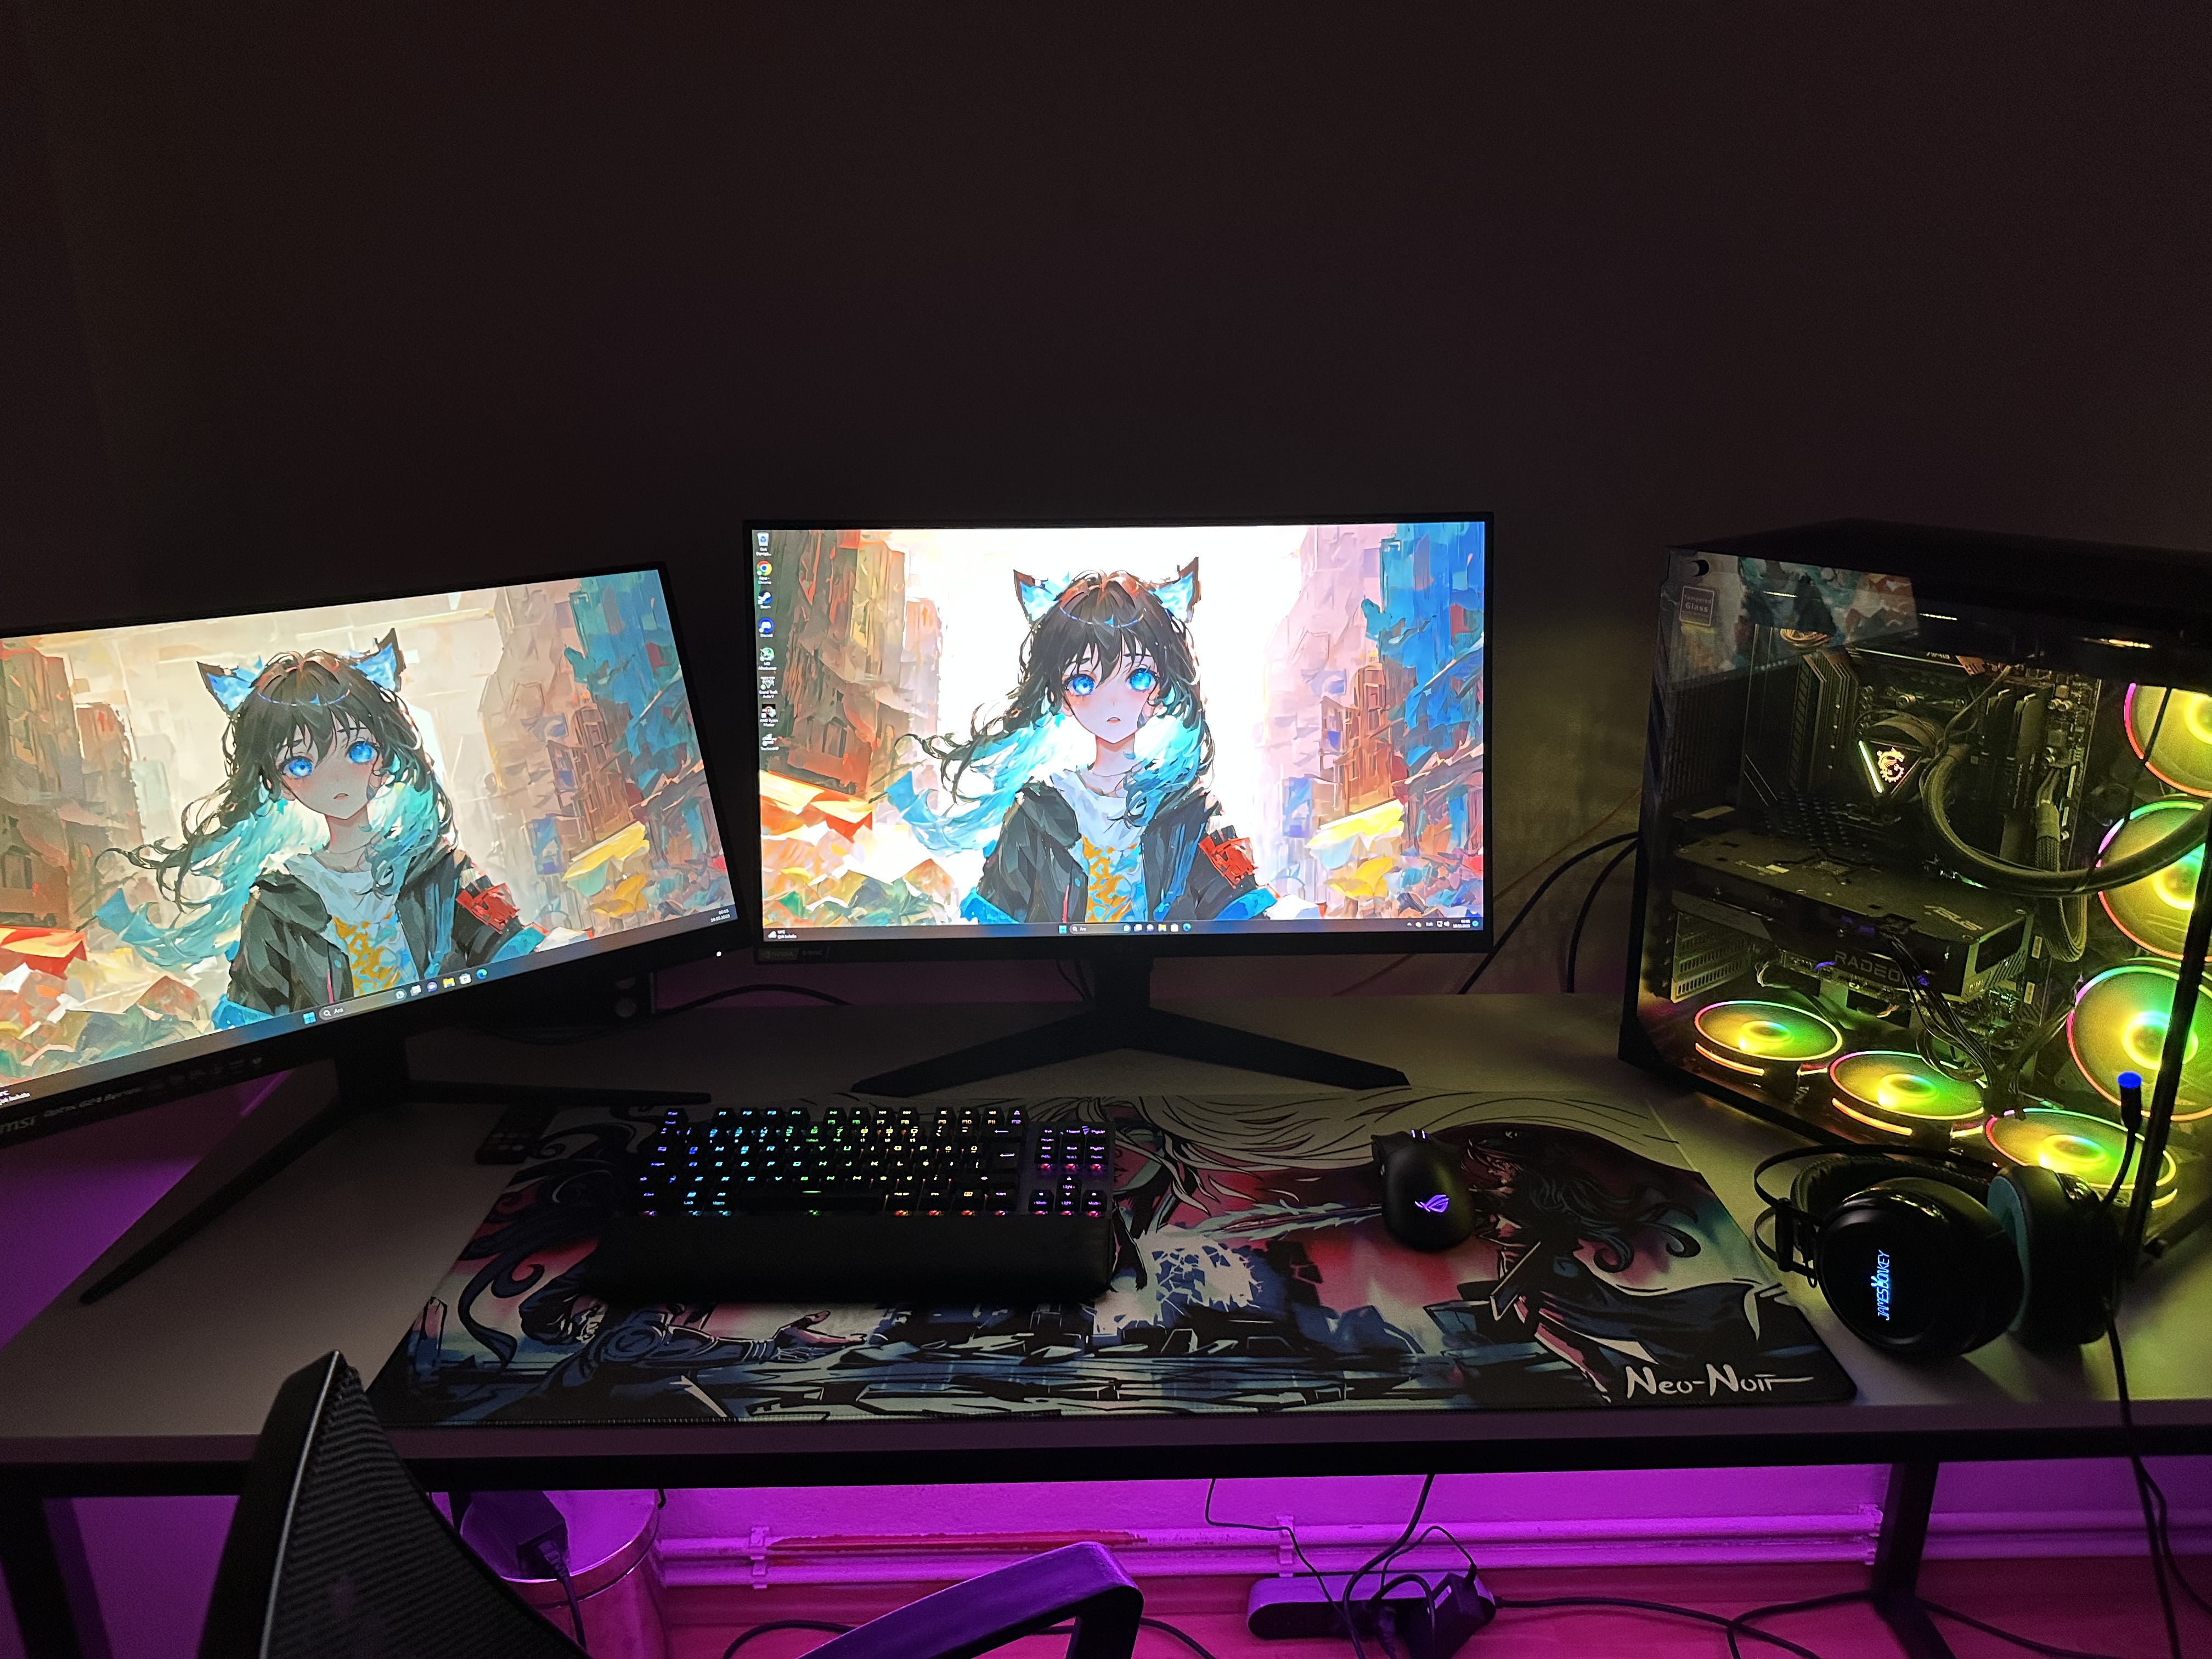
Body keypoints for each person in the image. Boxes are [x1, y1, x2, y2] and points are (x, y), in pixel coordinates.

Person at [118, 633, 538, 1022]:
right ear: (278, 783)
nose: (336, 777)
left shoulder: (440, 869)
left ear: (386, 757)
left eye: (358, 750)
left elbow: (515, 958)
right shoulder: (277, 902)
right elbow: (256, 1020)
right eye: (301, 764)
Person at [893, 561, 1273, 926]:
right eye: (1085, 682)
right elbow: (997, 933)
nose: (1113, 701)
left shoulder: (1194, 812)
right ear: (1061, 696)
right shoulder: (1036, 812)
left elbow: (1244, 922)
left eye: (1138, 677)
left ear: (1162, 689)